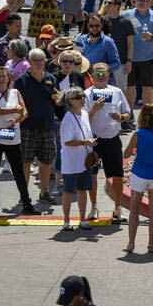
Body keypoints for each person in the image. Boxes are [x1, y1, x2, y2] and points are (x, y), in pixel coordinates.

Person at [0, 66, 35, 217]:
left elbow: (25, 112)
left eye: (4, 76)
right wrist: (15, 109)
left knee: (18, 172)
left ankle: (26, 203)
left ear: (9, 78)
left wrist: (18, 118)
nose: (1, 79)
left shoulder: (15, 92)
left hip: (12, 137)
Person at [84, 63, 130, 222]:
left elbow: (128, 113)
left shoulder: (117, 92)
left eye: (104, 73)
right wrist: (93, 109)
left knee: (117, 177)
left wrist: (121, 117)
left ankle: (118, 208)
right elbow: (82, 119)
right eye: (97, 73)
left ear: (109, 75)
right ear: (92, 75)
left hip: (112, 139)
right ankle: (93, 207)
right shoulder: (87, 94)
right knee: (92, 176)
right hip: (94, 141)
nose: (101, 75)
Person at [15, 49, 58, 203]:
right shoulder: (21, 80)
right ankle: (24, 195)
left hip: (47, 126)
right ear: (30, 62)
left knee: (45, 162)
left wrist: (57, 99)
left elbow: (56, 102)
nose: (40, 63)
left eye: (42, 60)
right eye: (36, 60)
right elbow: (16, 102)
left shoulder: (51, 79)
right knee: (25, 162)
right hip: (27, 127)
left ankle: (44, 193)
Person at [123, 103, 153, 253]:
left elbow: (126, 154)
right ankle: (150, 244)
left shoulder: (138, 134)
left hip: (140, 172)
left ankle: (131, 243)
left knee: (134, 208)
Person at [57, 88, 95, 230]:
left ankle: (82, 220)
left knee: (83, 190)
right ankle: (66, 221)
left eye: (83, 96)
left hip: (85, 160)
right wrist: (85, 142)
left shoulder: (84, 114)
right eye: (79, 97)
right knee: (68, 191)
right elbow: (67, 142)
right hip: (72, 161)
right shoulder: (68, 118)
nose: (83, 98)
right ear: (71, 101)